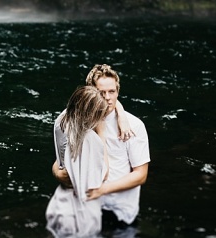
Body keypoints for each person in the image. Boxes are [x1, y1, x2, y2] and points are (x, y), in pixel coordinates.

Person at [51, 64, 150, 226]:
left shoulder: (133, 125)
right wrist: (57, 173)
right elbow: (60, 161)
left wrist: (101, 190)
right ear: (91, 92)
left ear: (118, 91)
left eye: (112, 92)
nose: (108, 98)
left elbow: (140, 175)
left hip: (117, 210)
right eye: (101, 93)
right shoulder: (76, 119)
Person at [45, 86, 112, 238]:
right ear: (91, 116)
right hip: (80, 213)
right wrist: (101, 133)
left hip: (60, 203)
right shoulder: (88, 139)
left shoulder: (62, 120)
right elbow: (102, 174)